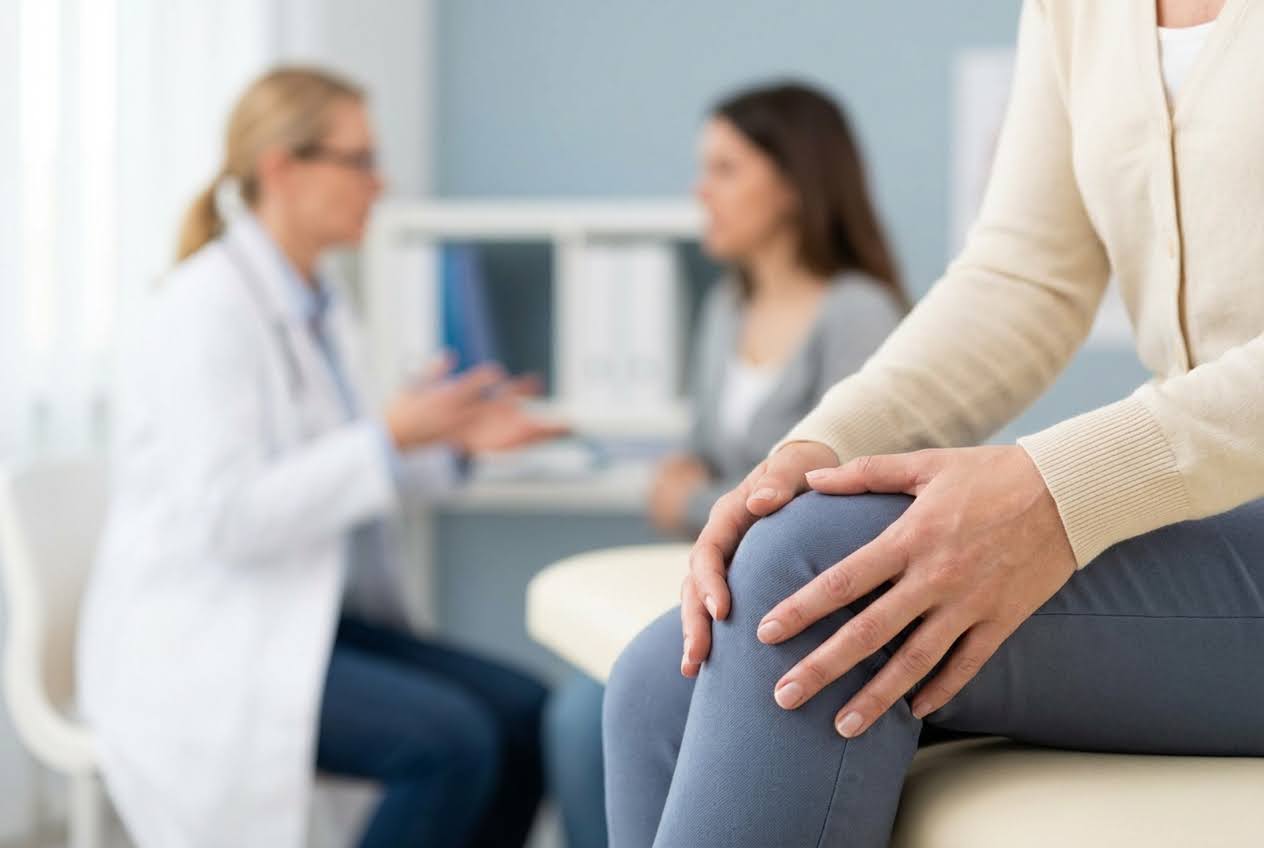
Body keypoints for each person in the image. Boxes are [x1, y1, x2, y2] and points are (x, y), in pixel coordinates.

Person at [603, 0, 1264, 845]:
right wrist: (814, 451)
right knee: (660, 686)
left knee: (809, 573)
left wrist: (1058, 491)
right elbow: (1023, 277)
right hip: (1209, 517)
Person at [77, 67, 564, 848]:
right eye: (361, 160)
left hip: (297, 614)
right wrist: (390, 436)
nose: (381, 182)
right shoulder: (201, 311)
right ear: (283, 168)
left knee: (525, 714)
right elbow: (229, 518)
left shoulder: (321, 304)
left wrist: (453, 446)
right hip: (206, 639)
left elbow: (338, 476)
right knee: (451, 747)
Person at [544, 81, 908, 848]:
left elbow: (832, 498)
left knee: (587, 717)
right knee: (579, 714)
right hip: (721, 580)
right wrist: (697, 482)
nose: (698, 190)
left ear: (790, 182)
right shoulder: (724, 312)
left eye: (724, 168)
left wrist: (688, 499)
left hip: (796, 594)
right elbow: (712, 454)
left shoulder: (857, 313)